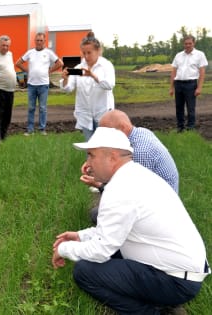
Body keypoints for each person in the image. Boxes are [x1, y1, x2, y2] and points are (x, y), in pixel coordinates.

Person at [52, 127, 210, 315]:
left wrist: (63, 249)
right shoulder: (134, 175)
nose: (88, 163)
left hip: (176, 281)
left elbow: (101, 250)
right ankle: (160, 300)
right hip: (182, 272)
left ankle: (152, 311)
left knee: (84, 272)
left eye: (91, 155)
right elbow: (111, 231)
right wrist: (80, 236)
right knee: (103, 255)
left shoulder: (120, 190)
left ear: (111, 157)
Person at [81, 109, 179, 193]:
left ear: (123, 128)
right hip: (155, 198)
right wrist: (93, 162)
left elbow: (130, 193)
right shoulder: (139, 133)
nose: (104, 138)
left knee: (97, 214)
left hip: (158, 206)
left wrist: (98, 184)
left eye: (108, 133)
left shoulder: (139, 152)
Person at [60, 32, 115, 141]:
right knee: (90, 149)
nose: (86, 56)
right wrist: (65, 79)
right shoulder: (79, 67)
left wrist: (94, 77)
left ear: (98, 51)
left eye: (89, 53)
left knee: (103, 147)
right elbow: (68, 88)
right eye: (84, 53)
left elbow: (110, 85)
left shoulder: (106, 65)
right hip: (85, 115)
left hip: (103, 113)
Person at [16, 32, 63, 136]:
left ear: (44, 41)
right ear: (35, 41)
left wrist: (50, 71)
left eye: (41, 40)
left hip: (43, 85)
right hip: (31, 85)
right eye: (37, 40)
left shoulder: (49, 52)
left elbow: (60, 63)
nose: (39, 42)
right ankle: (30, 130)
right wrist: (28, 70)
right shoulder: (30, 52)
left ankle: (42, 129)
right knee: (31, 108)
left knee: (42, 108)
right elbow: (18, 63)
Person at [169, 35, 208, 132]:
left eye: (190, 43)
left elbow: (202, 72)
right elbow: (174, 71)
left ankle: (190, 128)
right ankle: (180, 127)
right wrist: (171, 87)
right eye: (186, 43)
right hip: (178, 84)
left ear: (194, 43)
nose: (188, 45)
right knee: (179, 107)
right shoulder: (178, 55)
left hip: (191, 84)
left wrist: (199, 88)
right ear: (183, 44)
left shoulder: (200, 55)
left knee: (190, 107)